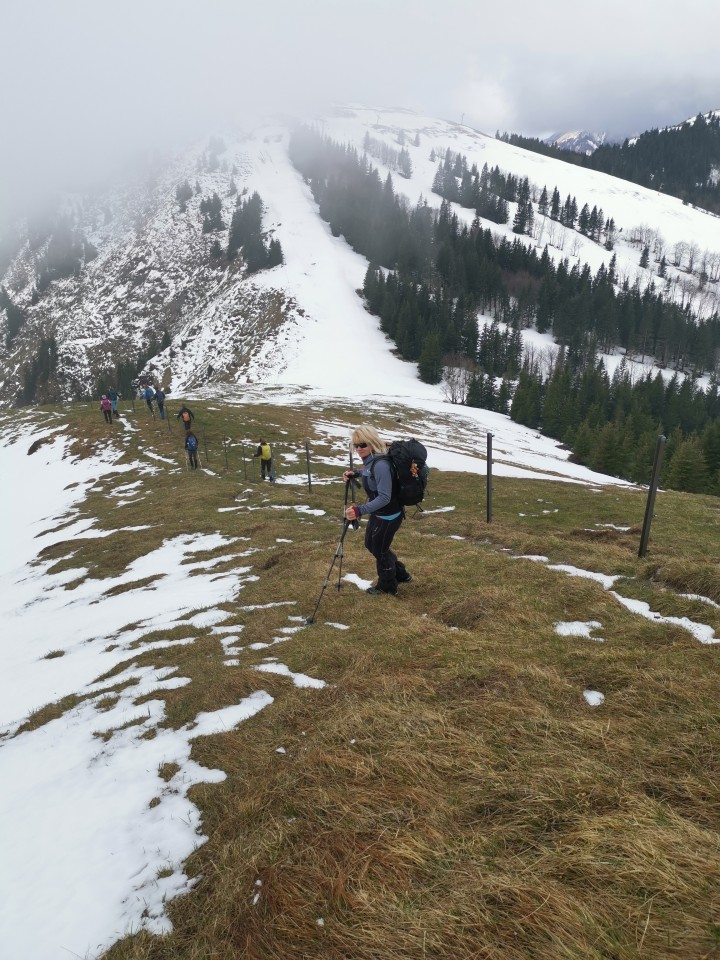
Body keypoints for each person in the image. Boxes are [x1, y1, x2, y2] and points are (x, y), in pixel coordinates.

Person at [343, 425, 412, 596]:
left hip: (389, 515)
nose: (359, 449)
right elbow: (369, 473)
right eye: (355, 445)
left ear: (372, 443)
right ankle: (401, 574)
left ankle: (387, 586)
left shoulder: (380, 464)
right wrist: (356, 474)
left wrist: (359, 510)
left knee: (380, 550)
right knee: (371, 545)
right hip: (380, 513)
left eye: (362, 445)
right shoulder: (372, 461)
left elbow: (384, 497)